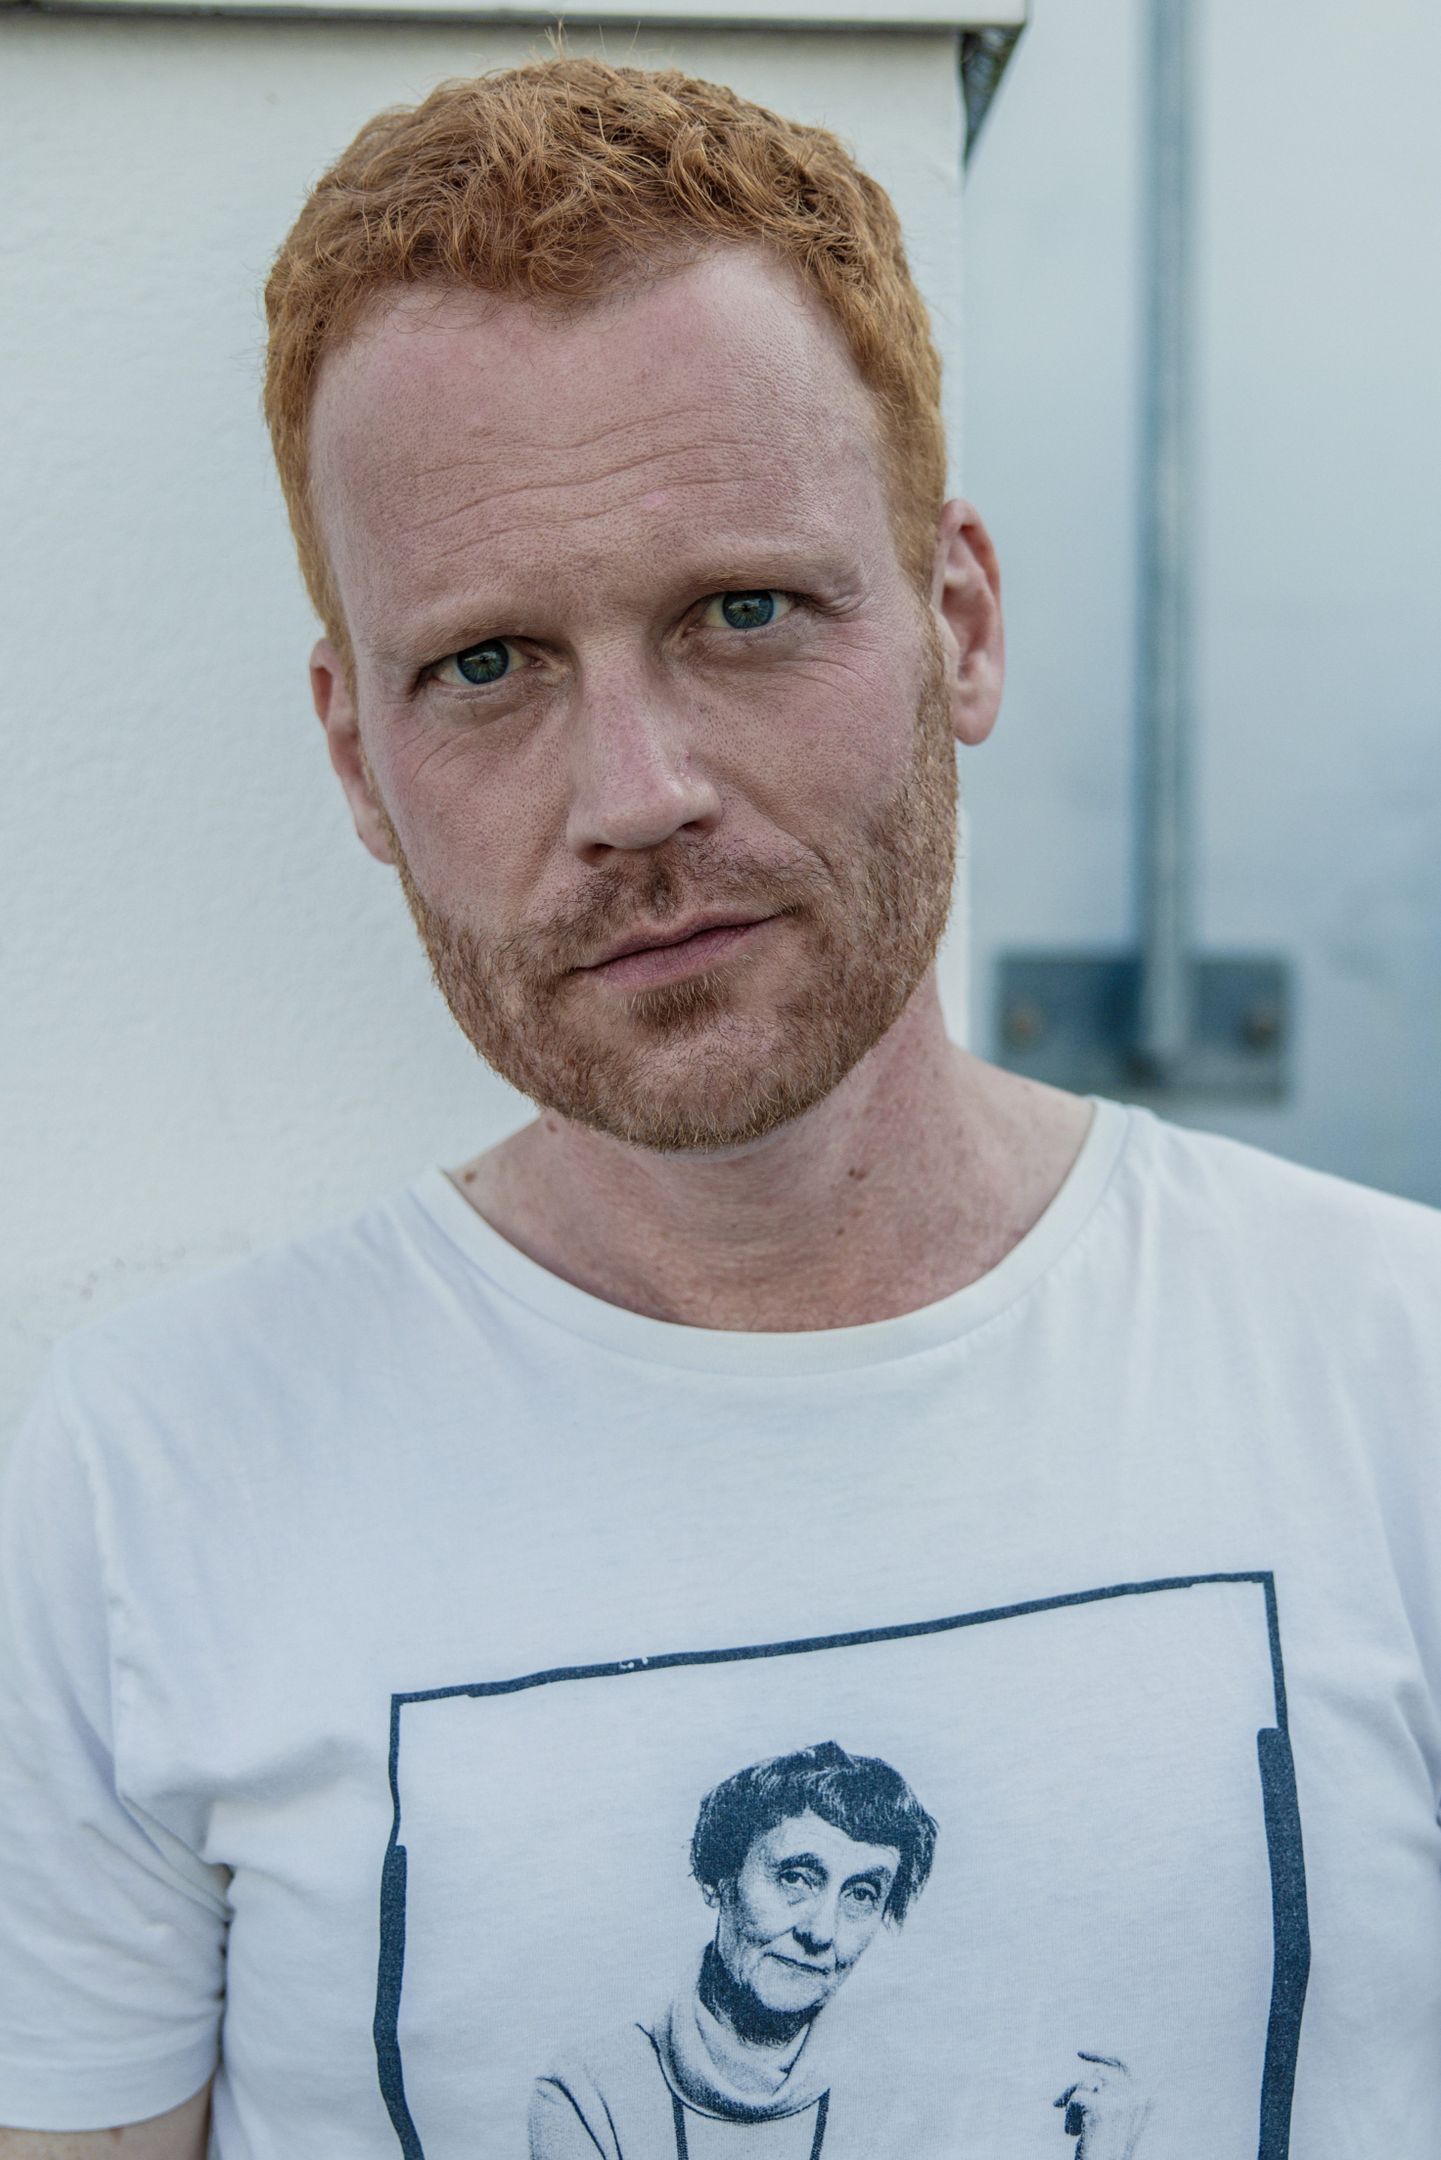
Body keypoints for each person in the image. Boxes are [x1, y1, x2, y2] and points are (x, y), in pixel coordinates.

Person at [1, 50, 1439, 2160]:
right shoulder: (148, 1486)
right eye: (487, 666)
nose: (636, 794)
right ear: (357, 757)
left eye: (743, 612)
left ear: (957, 622)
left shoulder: (1396, 1380)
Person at [529, 1741, 939, 2158]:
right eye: (795, 1878)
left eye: (862, 1894)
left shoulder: (905, 2099)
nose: (820, 1932)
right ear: (719, 1876)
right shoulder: (588, 2091)